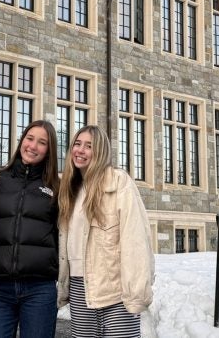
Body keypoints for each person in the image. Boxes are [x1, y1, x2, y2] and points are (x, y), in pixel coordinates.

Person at [57, 125, 154, 337]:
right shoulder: (69, 189)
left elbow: (135, 239)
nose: (80, 150)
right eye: (77, 144)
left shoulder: (118, 182)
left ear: (100, 151)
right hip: (78, 287)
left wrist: (136, 293)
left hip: (115, 290)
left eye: (88, 146)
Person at [0, 120, 61, 338]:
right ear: (22, 140)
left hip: (40, 289)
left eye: (42, 143)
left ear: (49, 150)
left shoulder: (57, 189)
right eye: (30, 138)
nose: (33, 146)